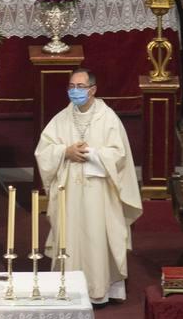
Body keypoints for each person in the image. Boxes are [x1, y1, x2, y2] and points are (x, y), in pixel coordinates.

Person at [34, 68, 142, 305]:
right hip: (69, 192)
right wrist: (66, 151)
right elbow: (43, 150)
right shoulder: (61, 118)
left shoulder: (108, 117)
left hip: (98, 193)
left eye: (80, 87)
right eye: (71, 87)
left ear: (93, 90)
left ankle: (100, 289)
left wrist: (92, 154)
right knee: (70, 235)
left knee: (96, 237)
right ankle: (67, 287)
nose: (75, 91)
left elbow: (119, 154)